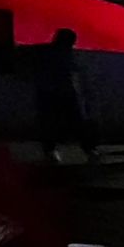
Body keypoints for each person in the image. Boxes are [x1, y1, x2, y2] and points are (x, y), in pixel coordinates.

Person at [32, 28, 99, 162]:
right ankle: (89, 149)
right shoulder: (66, 54)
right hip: (63, 91)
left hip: (49, 92)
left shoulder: (47, 53)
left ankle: (51, 151)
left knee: (50, 123)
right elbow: (75, 72)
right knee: (77, 122)